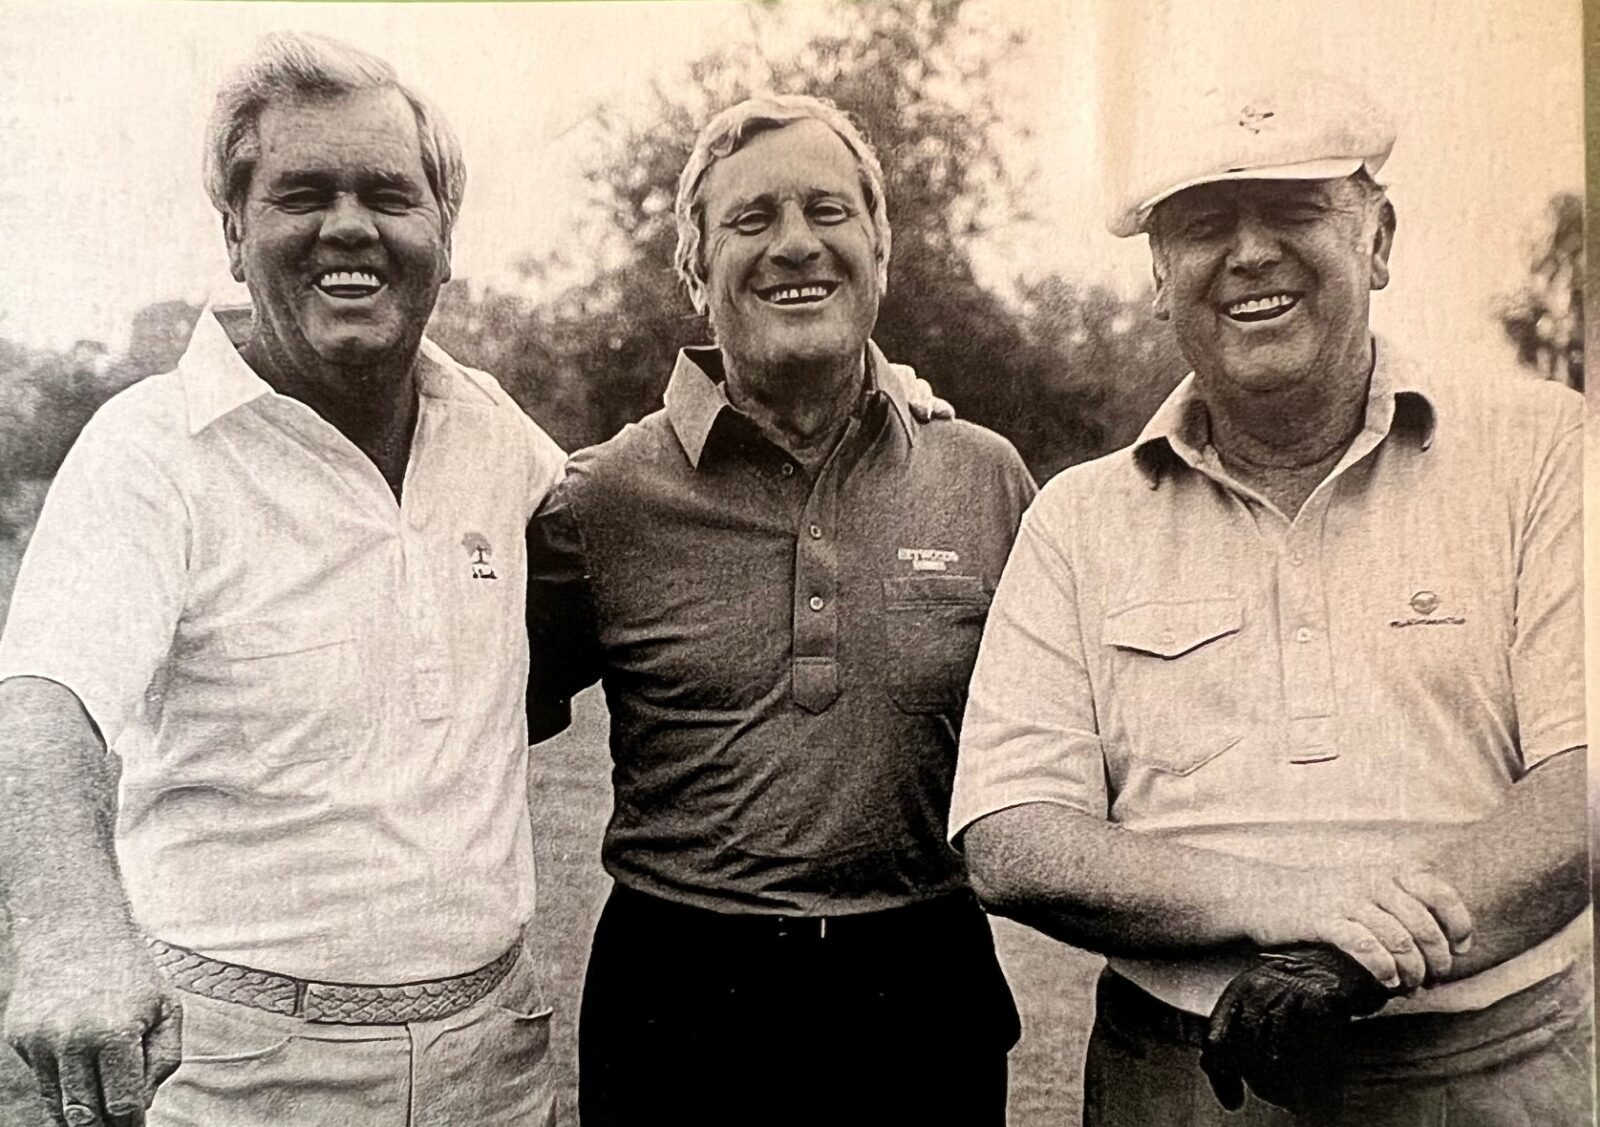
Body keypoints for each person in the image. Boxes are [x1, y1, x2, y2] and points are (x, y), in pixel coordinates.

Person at [949, 73, 1590, 1125]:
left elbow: (1584, 781)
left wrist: (1348, 962)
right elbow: (1011, 836)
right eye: (1202, 224)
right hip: (1186, 1081)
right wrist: (1285, 903)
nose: (1248, 253)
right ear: (1158, 276)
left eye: (1294, 209)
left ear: (1378, 240)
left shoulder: (1543, 450)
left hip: (1490, 1073)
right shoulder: (1078, 517)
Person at [0, 32, 567, 1127]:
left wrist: (865, 391)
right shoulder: (151, 447)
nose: (349, 226)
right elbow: (43, 701)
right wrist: (70, 928)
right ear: (234, 233)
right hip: (239, 1073)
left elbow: (639, 503)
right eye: (302, 192)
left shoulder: (495, 432)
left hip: (497, 1061)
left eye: (390, 195)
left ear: (442, 235)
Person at [525, 94, 1032, 1126]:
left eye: (828, 212)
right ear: (694, 274)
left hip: (923, 992)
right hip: (677, 1001)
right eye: (752, 220)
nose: (795, 244)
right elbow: (468, 721)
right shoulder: (601, 500)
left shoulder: (984, 478)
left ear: (880, 252)